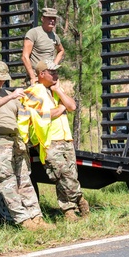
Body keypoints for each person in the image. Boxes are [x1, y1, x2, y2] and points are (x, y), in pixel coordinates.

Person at [0, 60, 52, 231]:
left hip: (16, 141)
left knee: (24, 181)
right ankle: (24, 221)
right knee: (7, 182)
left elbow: (25, 113)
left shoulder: (8, 93)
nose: (2, 81)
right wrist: (10, 96)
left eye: (4, 78)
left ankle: (37, 218)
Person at [21, 60, 90, 221]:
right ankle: (77, 203)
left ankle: (71, 210)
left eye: (56, 72)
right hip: (49, 141)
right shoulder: (34, 91)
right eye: (52, 72)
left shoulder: (55, 90)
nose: (56, 75)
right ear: (41, 74)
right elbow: (40, 115)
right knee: (63, 175)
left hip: (65, 139)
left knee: (70, 175)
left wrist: (59, 90)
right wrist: (60, 108)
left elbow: (72, 106)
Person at [22, 8, 65, 85]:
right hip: (37, 78)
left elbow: (61, 51)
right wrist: (32, 76)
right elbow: (25, 57)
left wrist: (54, 65)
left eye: (54, 18)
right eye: (49, 18)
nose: (52, 21)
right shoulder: (33, 33)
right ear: (42, 19)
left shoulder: (55, 36)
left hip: (49, 78)